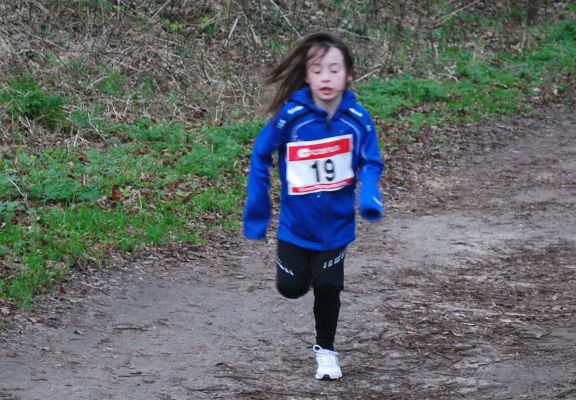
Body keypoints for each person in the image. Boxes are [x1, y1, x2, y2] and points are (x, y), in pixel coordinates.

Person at [243, 32, 384, 381]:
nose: (326, 77)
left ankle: (327, 351)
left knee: (328, 285)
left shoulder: (358, 118)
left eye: (334, 69)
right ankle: (300, 271)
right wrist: (258, 213)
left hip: (337, 226)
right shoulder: (291, 116)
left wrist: (369, 195)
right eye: (317, 70)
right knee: (291, 288)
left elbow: (371, 161)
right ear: (307, 76)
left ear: (348, 75)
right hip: (296, 225)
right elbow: (261, 154)